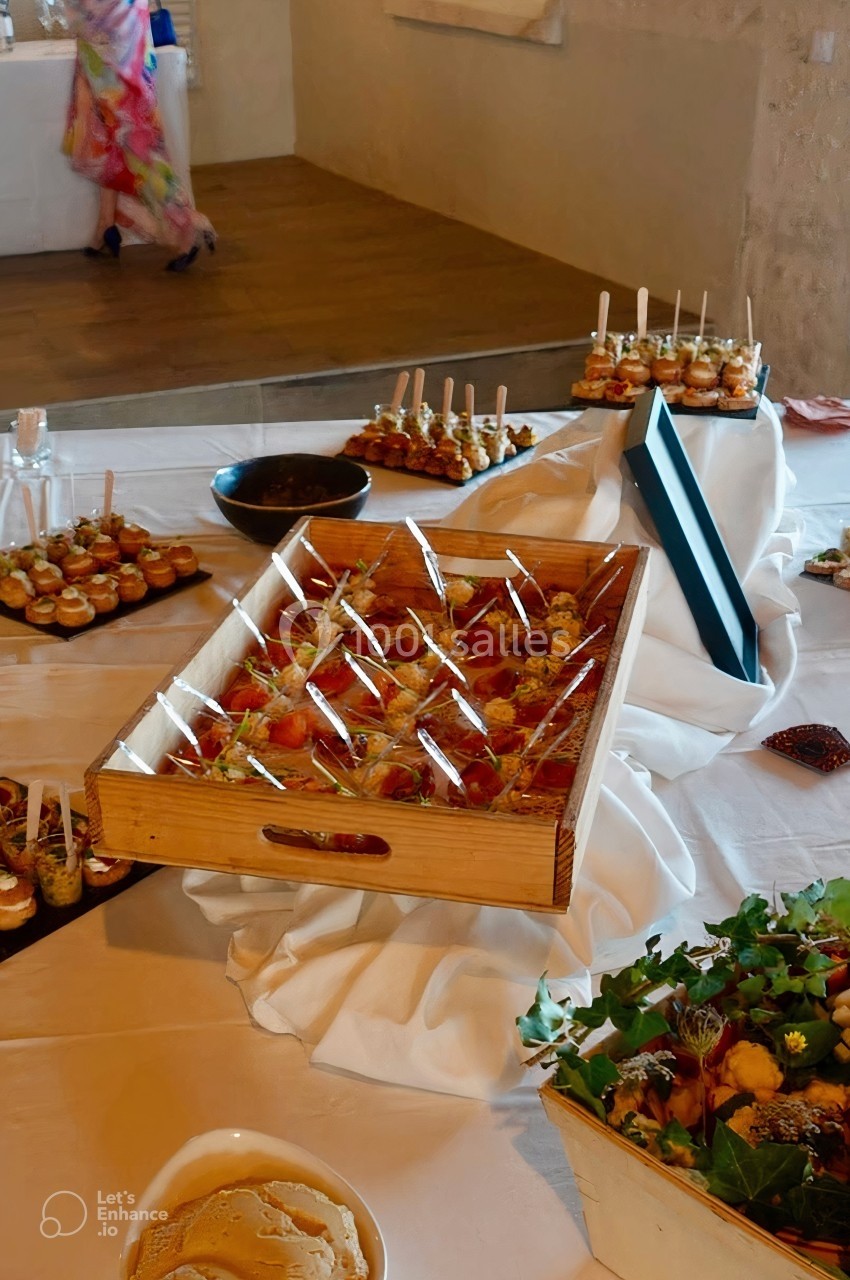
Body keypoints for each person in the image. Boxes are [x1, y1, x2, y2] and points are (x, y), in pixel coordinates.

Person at [62, 0, 216, 271]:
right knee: (107, 132)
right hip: (118, 32)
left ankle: (187, 223)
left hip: (108, 33)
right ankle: (105, 225)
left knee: (134, 138)